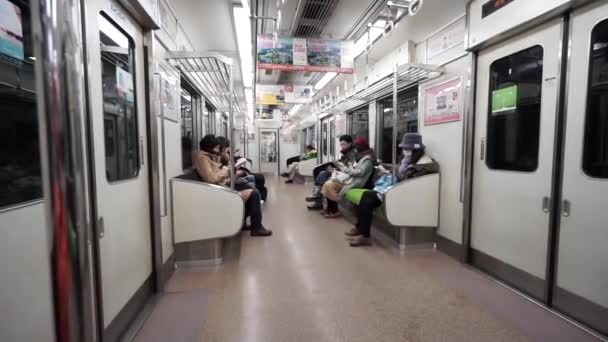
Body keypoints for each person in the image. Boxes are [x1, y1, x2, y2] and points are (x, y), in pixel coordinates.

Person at [347, 133, 438, 247]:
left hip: (404, 192)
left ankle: (363, 233)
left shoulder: (422, 163)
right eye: (404, 148)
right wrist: (389, 172)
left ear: (415, 150)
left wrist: (394, 173)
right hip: (397, 188)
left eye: (407, 148)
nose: (404, 151)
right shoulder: (407, 160)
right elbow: (400, 174)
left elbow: (407, 179)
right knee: (366, 196)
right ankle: (361, 230)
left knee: (367, 198)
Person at [194, 135, 272, 237]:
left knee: (251, 189)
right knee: (254, 194)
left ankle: (243, 223)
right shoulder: (203, 159)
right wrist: (224, 170)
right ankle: (257, 227)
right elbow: (211, 179)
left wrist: (228, 167)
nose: (218, 150)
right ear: (209, 147)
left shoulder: (210, 157)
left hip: (222, 185)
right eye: (216, 148)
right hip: (218, 191)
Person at [320, 137, 376, 218]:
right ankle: (331, 208)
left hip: (355, 182)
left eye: (357, 146)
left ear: (362, 147)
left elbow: (360, 172)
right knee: (327, 182)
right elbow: (354, 169)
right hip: (351, 179)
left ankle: (335, 205)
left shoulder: (367, 160)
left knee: (329, 184)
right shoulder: (361, 157)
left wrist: (344, 168)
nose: (356, 148)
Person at [306, 135, 356, 210]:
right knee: (321, 172)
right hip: (341, 172)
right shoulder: (346, 153)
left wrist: (336, 169)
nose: (342, 146)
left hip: (346, 176)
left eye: (344, 144)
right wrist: (335, 167)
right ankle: (317, 197)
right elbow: (342, 164)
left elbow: (349, 168)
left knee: (323, 174)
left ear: (350, 144)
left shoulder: (353, 154)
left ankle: (318, 198)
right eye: (341, 144)